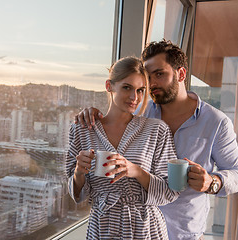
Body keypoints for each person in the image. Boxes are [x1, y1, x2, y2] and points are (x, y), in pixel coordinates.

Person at [75, 40, 238, 240]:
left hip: (183, 234)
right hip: (140, 232)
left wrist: (211, 182)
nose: (151, 83)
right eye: (147, 76)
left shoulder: (216, 122)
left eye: (159, 74)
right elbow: (113, 120)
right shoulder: (140, 111)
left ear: (181, 74)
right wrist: (92, 113)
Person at [65, 56, 179, 239]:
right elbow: (76, 195)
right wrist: (79, 172)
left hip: (146, 229)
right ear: (109, 86)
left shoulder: (157, 130)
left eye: (141, 90)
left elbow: (170, 191)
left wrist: (135, 170)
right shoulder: (82, 130)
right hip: (102, 227)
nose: (135, 97)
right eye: (127, 87)